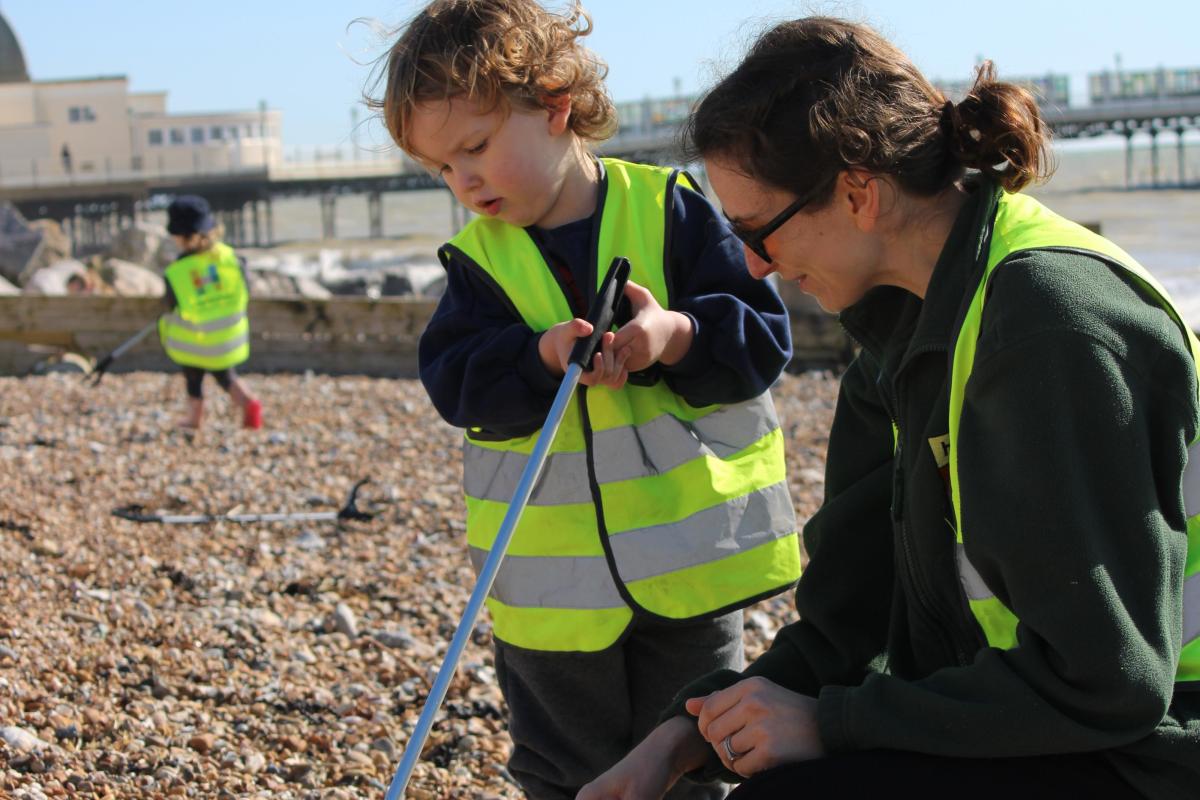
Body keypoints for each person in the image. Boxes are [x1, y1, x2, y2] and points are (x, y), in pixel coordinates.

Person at [580, 16, 1200, 800]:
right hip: (1048, 715)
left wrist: (835, 725)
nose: (752, 264)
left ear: (858, 191)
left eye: (757, 231)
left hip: (1158, 748)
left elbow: (1107, 680)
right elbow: (851, 614)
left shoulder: (1044, 324)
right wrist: (683, 737)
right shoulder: (899, 333)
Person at [369, 1, 801, 797]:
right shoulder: (476, 264)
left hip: (690, 566)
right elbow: (455, 380)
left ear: (556, 103)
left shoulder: (671, 209)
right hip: (552, 590)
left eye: (475, 147)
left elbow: (761, 343)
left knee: (692, 755)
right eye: (440, 168)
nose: (462, 180)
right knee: (562, 769)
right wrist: (538, 356)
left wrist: (673, 337)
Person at [159, 194, 262, 431]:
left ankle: (195, 417)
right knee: (224, 373)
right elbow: (246, 288)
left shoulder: (177, 271)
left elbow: (170, 305)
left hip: (196, 343)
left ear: (182, 236)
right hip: (231, 340)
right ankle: (248, 401)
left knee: (193, 373)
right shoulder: (233, 259)